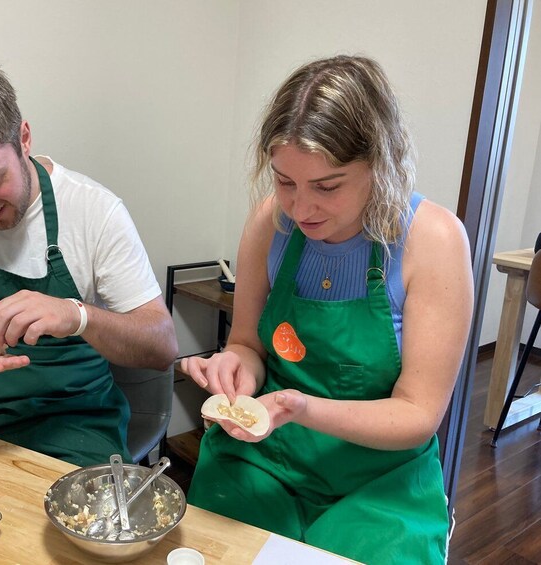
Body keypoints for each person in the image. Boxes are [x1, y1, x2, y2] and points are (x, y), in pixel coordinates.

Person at [179, 55, 473, 564]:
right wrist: (235, 371)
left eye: (328, 186)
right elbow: (247, 343)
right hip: (267, 459)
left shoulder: (433, 241)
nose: (301, 209)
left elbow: (418, 415)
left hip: (381, 480)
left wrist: (303, 409)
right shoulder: (271, 222)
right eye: (284, 181)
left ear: (380, 165)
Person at [0, 58, 177, 467]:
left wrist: (78, 316)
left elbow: (162, 346)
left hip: (74, 428)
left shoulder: (94, 211)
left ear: (23, 138)